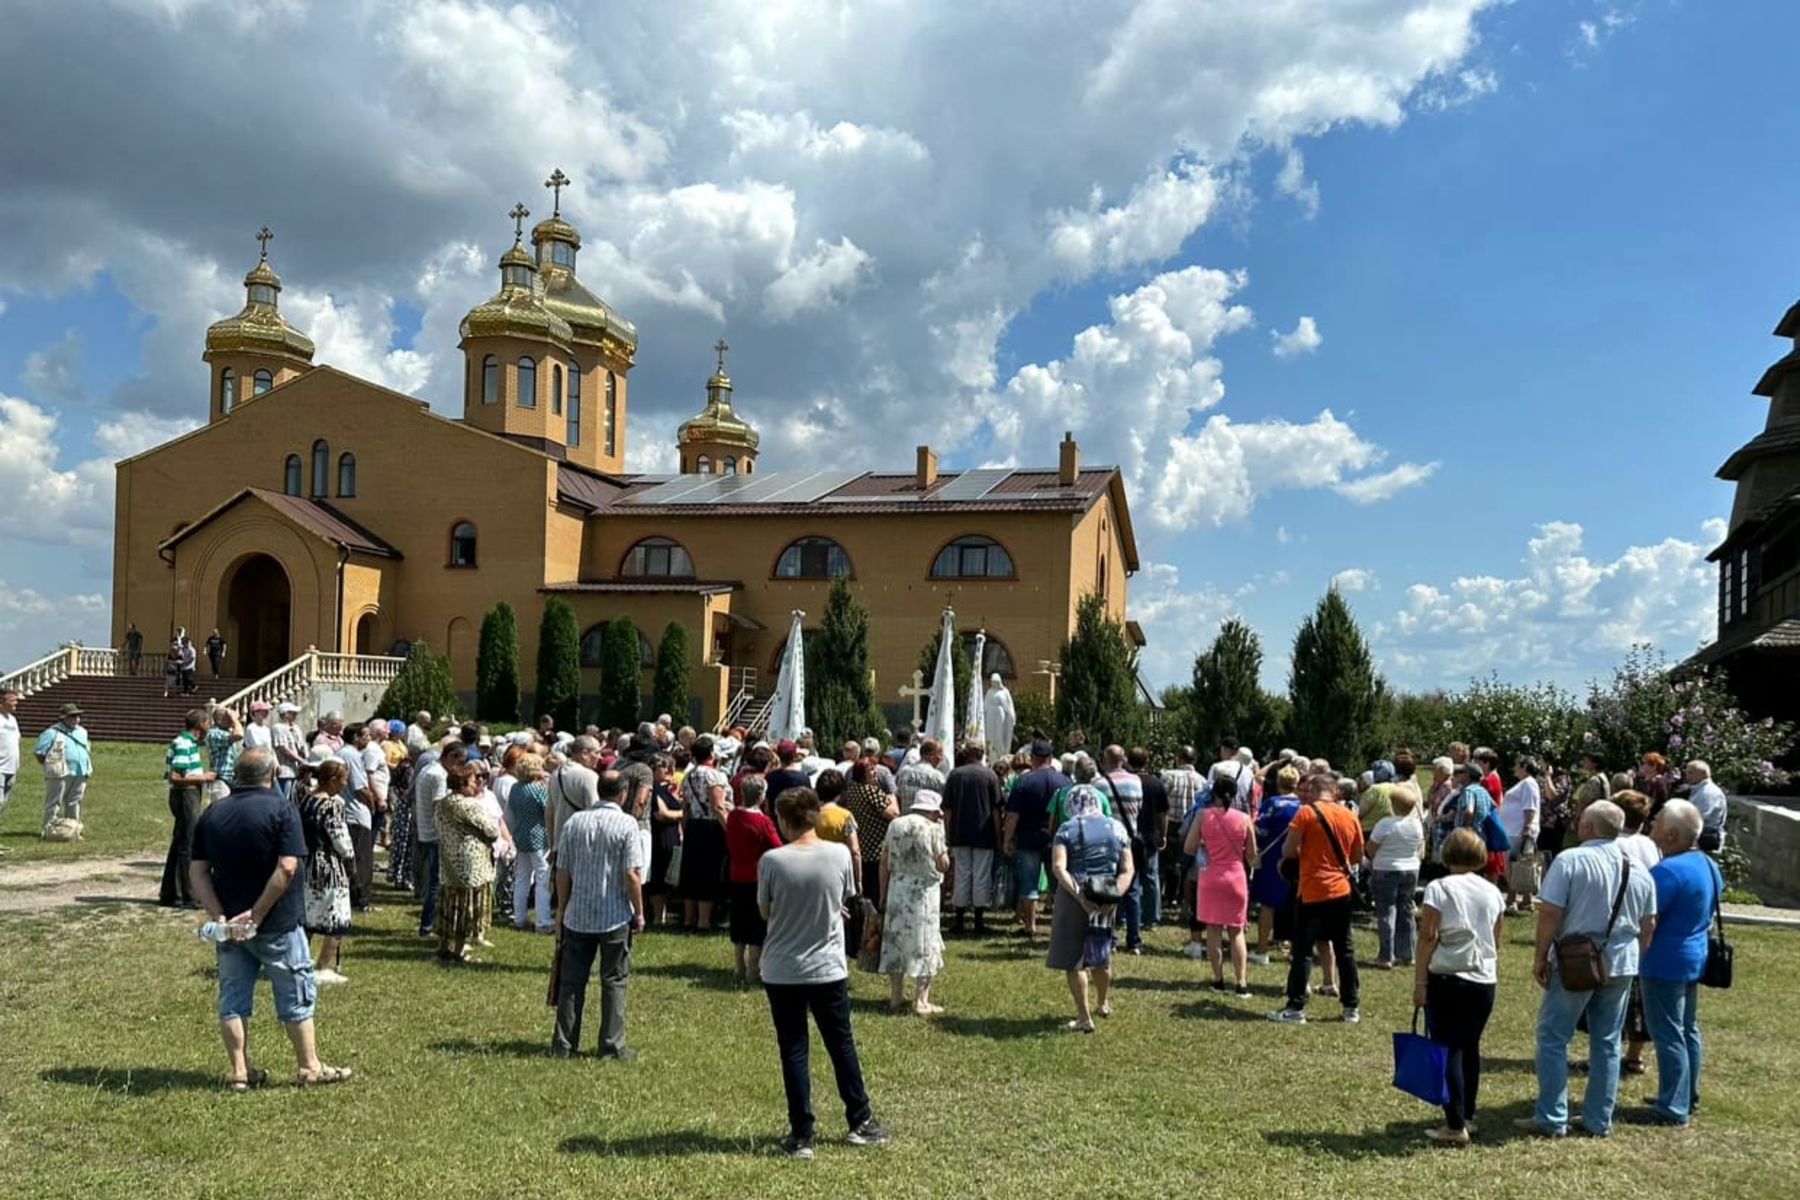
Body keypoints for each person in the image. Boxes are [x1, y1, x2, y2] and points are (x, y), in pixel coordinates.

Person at [189, 748, 351, 1090]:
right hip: (277, 922)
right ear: (273, 773)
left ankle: (238, 1070)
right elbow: (288, 867)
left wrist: (220, 915)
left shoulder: (213, 813)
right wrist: (258, 913)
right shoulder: (282, 809)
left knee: (233, 997)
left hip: (229, 926)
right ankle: (309, 1066)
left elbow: (198, 872)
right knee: (295, 992)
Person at [757, 787, 890, 1158]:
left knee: (794, 1048)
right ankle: (859, 1119)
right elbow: (843, 897)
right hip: (827, 966)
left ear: (783, 820)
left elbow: (766, 911)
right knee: (840, 1043)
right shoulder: (840, 854)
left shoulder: (772, 861)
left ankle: (801, 1134)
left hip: (783, 968)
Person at [1521, 799, 1658, 1139]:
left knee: (1553, 1037)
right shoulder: (1638, 868)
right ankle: (1598, 1118)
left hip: (1576, 958)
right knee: (1608, 1041)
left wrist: (1540, 956)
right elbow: (1649, 923)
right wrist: (1635, 956)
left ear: (1588, 827)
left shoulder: (1571, 860)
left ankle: (1552, 1116)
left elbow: (1551, 912)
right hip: (1622, 961)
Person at [1413, 828, 1506, 1146]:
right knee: (1470, 1046)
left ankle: (1454, 1124)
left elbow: (1428, 936)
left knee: (1447, 1046)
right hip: (1483, 977)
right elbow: (1495, 938)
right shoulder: (1493, 892)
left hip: (1448, 976)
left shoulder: (1439, 888)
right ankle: (1467, 1113)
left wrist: (1420, 980)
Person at [1638, 799, 1722, 1126]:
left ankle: (1672, 1106)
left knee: (1668, 1031)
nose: (1652, 824)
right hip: (1693, 955)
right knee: (1688, 1029)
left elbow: (1649, 917)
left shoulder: (1667, 871)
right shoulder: (1706, 863)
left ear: (1671, 834)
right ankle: (1687, 1094)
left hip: (1664, 960)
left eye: (1658, 821)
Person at [552, 770, 645, 1060]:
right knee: (614, 980)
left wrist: (562, 908)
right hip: (614, 914)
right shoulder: (627, 824)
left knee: (571, 983)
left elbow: (563, 871)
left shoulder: (574, 822)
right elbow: (631, 873)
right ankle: (611, 1045)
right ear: (623, 793)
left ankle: (564, 1044)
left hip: (578, 913)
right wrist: (639, 912)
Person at [1270, 772, 1365, 1025]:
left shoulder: (1306, 814)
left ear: (1314, 791)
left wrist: (1304, 857)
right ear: (1335, 792)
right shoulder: (1349, 815)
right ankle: (1350, 1007)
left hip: (1312, 888)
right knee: (1345, 948)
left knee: (1303, 950)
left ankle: (1296, 1007)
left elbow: (1288, 850)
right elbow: (1357, 856)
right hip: (1340, 890)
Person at [1047, 783, 1133, 1033]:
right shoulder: (1117, 828)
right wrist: (1115, 894)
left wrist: (1080, 898)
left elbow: (1059, 867)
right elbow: (1128, 868)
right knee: (1101, 954)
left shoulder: (1067, 829)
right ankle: (1103, 1002)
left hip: (1075, 897)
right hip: (1106, 894)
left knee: (1075, 961)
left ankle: (1084, 1017)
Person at [879, 788, 950, 1015]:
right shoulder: (933, 828)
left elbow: (884, 861)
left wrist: (882, 892)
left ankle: (896, 996)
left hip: (898, 888)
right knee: (925, 942)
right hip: (924, 892)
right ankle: (922, 1000)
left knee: (896, 940)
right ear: (931, 811)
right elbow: (942, 863)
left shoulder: (895, 825)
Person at [1186, 773, 1257, 995]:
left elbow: (1188, 847)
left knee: (1213, 930)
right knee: (1237, 932)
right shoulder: (1244, 819)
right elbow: (1253, 856)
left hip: (1210, 877)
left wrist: (1205, 847)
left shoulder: (1203, 816)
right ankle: (1242, 982)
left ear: (1213, 792)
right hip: (1236, 876)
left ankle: (1218, 979)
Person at [435, 762, 501, 964]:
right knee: (467, 907)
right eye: (473, 781)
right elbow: (492, 829)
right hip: (471, 863)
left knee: (450, 904)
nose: (477, 785)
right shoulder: (467, 805)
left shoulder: (443, 803)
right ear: (463, 783)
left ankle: (444, 946)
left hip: (449, 861)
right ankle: (459, 950)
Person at [1003, 740, 1070, 938]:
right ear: (1050, 759)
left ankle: (1030, 925)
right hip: (1058, 839)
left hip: (1028, 837)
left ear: (1032, 759)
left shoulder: (1024, 781)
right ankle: (1060, 925)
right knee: (1059, 884)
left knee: (1028, 884)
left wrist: (1007, 839)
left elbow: (1013, 815)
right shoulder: (1065, 782)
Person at [298, 755, 355, 985]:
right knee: (337, 916)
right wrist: (351, 861)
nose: (345, 785)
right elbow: (340, 838)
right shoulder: (332, 805)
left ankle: (300, 961)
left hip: (309, 863)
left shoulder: (307, 800)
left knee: (309, 915)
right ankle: (323, 967)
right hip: (329, 865)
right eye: (343, 780)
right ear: (332, 780)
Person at [727, 774, 784, 984]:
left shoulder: (733, 816)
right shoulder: (763, 821)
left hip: (736, 873)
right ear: (761, 796)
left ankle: (738, 964)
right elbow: (778, 847)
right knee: (756, 923)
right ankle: (753, 969)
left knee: (739, 919)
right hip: (757, 877)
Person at [943, 743, 1003, 936]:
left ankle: (959, 920)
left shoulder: (955, 775)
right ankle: (978, 920)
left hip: (960, 832)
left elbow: (948, 810)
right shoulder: (990, 776)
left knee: (962, 873)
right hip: (983, 834)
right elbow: (996, 810)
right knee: (981, 875)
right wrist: (998, 835)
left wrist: (947, 832)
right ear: (982, 754)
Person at [675, 735, 732, 931]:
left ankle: (689, 918)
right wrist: (730, 831)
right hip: (712, 827)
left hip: (694, 826)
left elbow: (686, 806)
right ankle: (704, 921)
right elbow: (718, 806)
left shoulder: (689, 775)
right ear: (711, 753)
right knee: (709, 872)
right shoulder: (716, 776)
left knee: (691, 871)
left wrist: (684, 826)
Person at [160, 708, 215, 908]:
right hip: (186, 795)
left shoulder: (188, 743)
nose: (209, 726)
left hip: (188, 794)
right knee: (188, 844)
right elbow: (176, 776)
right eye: (207, 722)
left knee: (179, 842)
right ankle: (188, 894)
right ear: (200, 724)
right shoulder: (183, 743)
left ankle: (171, 893)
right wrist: (204, 777)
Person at [1249, 765, 1302, 965]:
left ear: (1278, 782)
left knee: (1267, 906)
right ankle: (1295, 949)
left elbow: (1260, 829)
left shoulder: (1272, 804)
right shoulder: (1303, 806)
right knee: (1296, 907)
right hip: (1296, 859)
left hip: (1272, 858)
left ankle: (1262, 949)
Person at [1367, 788, 1425, 969]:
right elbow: (1420, 846)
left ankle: (1386, 956)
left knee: (1386, 910)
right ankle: (1407, 953)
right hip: (1410, 868)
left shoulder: (1385, 824)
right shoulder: (1416, 824)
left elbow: (1370, 848)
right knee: (1406, 909)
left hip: (1386, 868)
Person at [842, 757, 900, 904]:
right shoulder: (872, 792)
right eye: (871, 771)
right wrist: (892, 796)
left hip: (863, 845)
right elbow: (894, 814)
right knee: (878, 891)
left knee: (867, 892)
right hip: (877, 849)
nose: (875, 774)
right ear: (862, 774)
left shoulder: (851, 790)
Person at [507, 754, 554, 933]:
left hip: (521, 836)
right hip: (538, 838)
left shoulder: (515, 788)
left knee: (522, 878)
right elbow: (548, 810)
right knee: (543, 880)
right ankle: (543, 921)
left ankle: (519, 917)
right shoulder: (538, 789)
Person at [35, 702, 92, 837]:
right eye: (72, 716)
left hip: (80, 771)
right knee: (54, 802)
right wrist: (51, 766)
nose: (76, 719)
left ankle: (73, 829)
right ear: (64, 717)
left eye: (78, 716)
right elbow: (40, 752)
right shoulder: (51, 732)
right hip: (59, 772)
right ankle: (48, 829)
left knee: (75, 801)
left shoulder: (82, 732)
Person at [1130, 747, 1171, 929]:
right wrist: (1163, 834)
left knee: (1129, 875)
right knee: (1151, 877)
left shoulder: (1127, 781)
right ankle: (1151, 917)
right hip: (1150, 835)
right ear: (1147, 762)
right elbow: (1163, 813)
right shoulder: (1155, 784)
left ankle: (1126, 915)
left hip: (1130, 834)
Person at [1682, 761, 1728, 854]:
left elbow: (1700, 817)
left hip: (1704, 842)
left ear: (1703, 774)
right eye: (1686, 773)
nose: (1687, 777)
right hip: (1698, 840)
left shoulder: (1708, 793)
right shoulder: (1699, 790)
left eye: (1691, 773)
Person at [271, 703, 306, 800]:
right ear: (286, 714)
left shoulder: (296, 728)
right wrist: (300, 760)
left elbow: (301, 746)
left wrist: (305, 758)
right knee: (284, 798)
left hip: (296, 770)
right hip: (285, 770)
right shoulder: (278, 728)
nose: (295, 716)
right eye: (293, 713)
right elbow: (282, 749)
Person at [0, 687, 18, 846]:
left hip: (11, 769)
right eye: (11, 700)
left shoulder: (12, 719)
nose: (15, 703)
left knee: (2, 805)